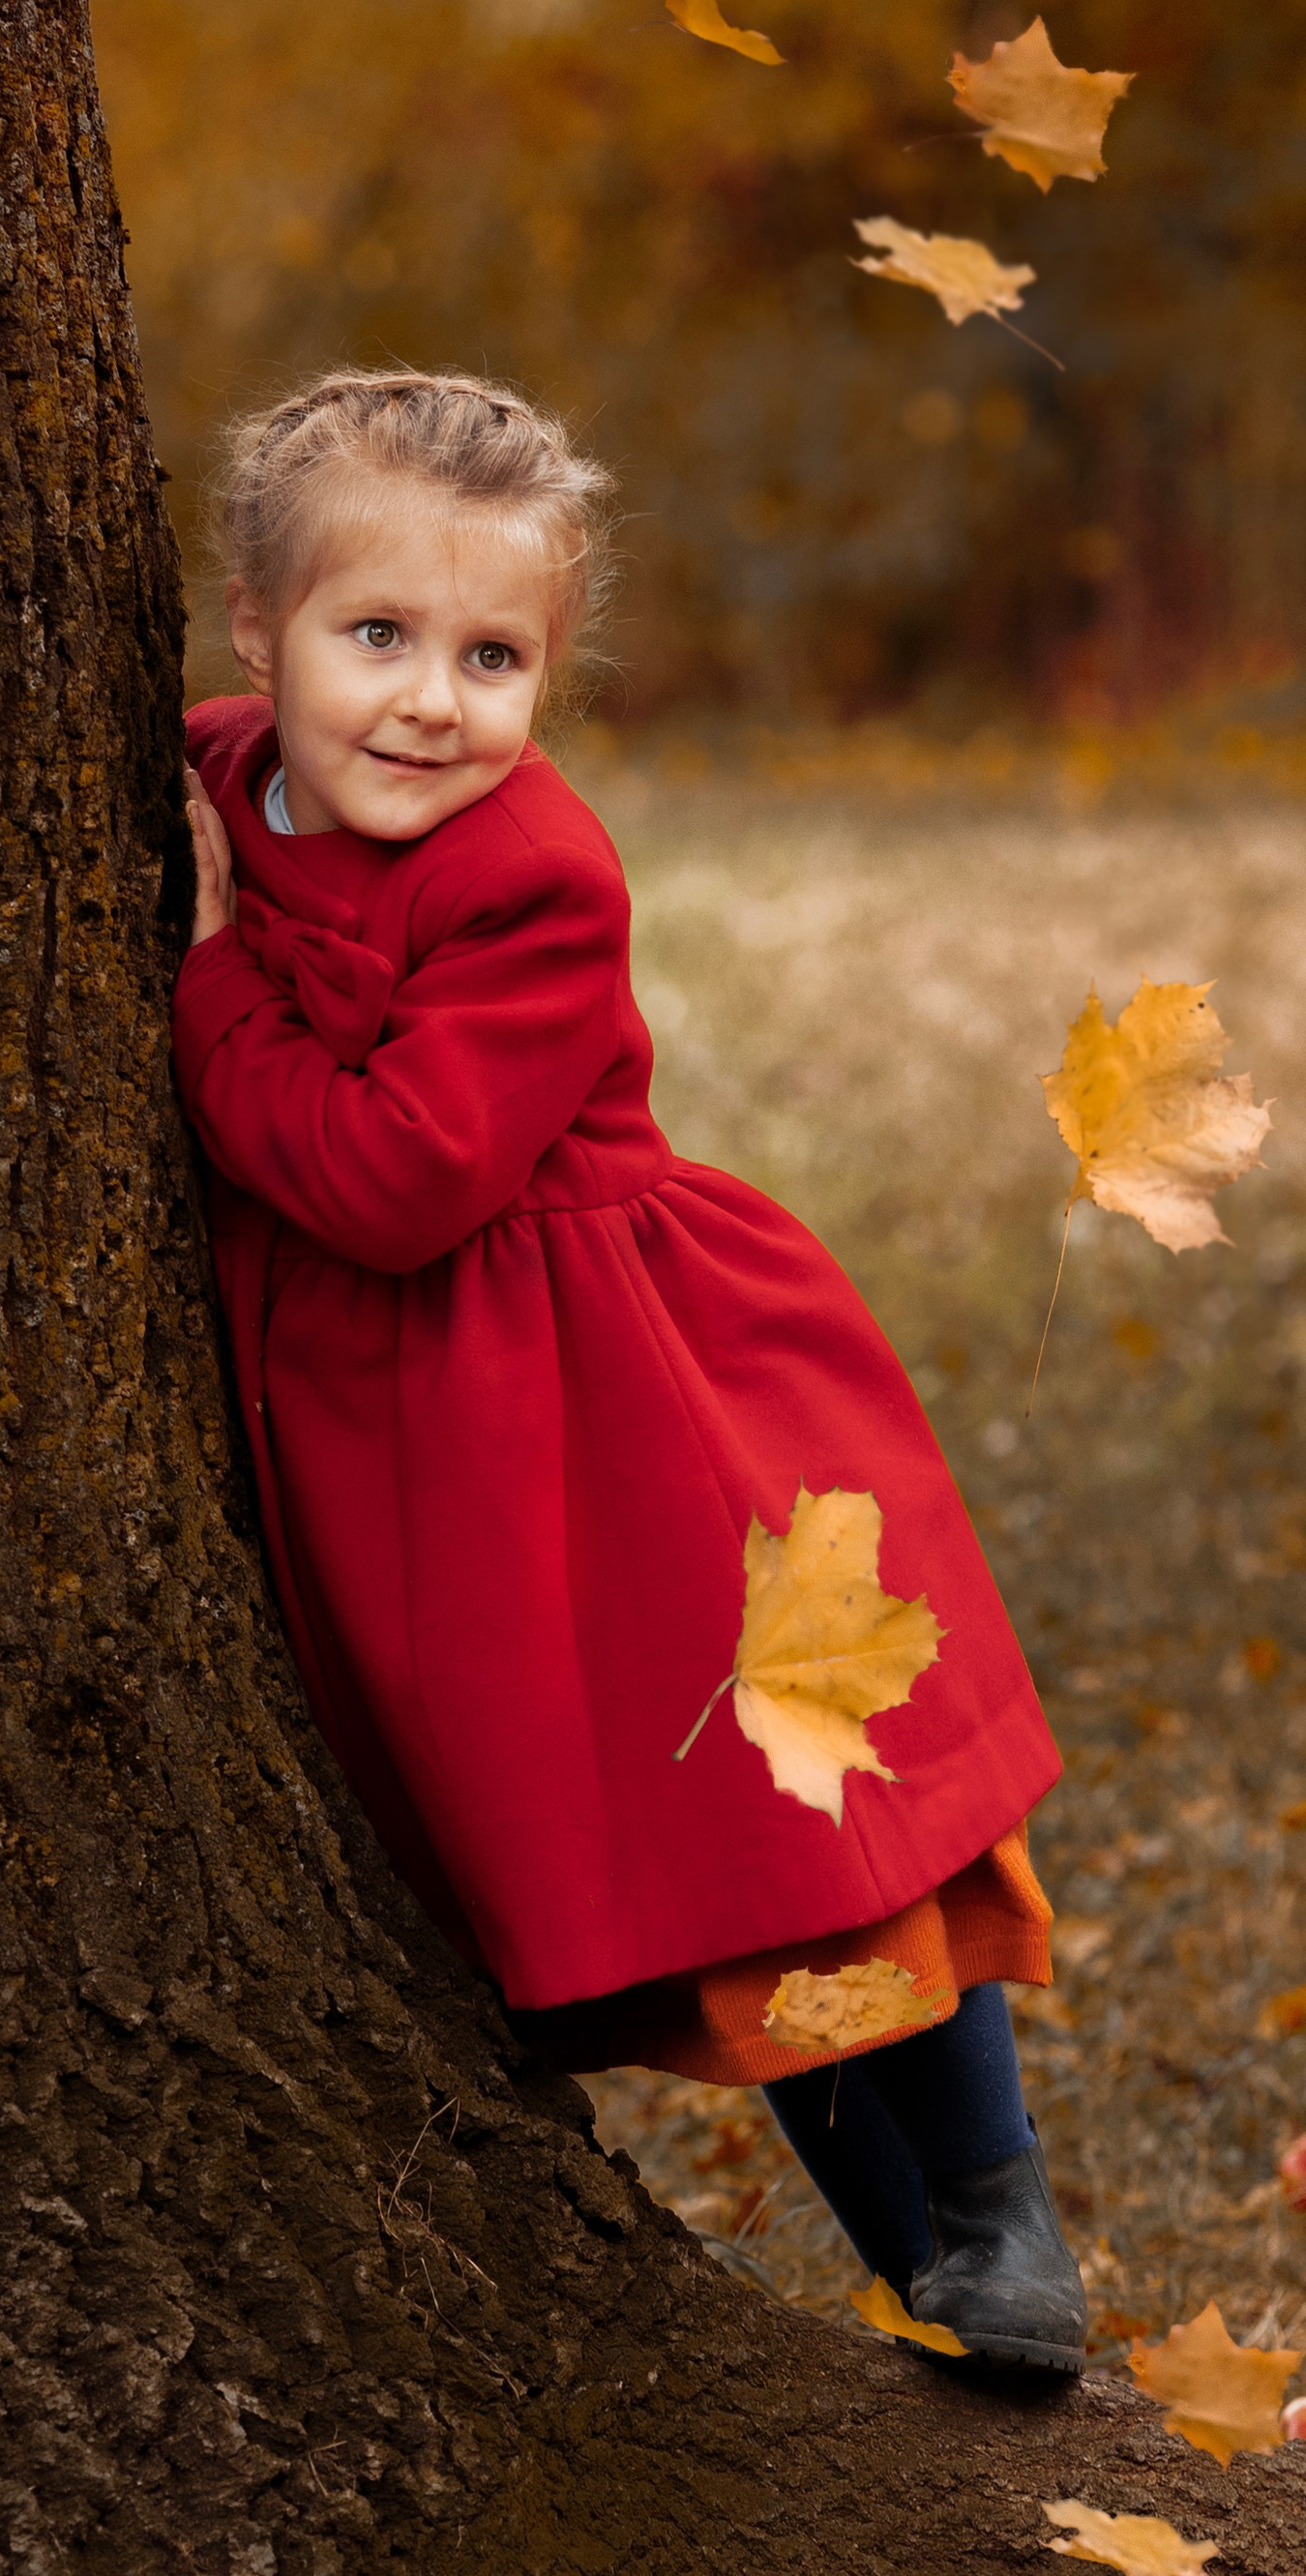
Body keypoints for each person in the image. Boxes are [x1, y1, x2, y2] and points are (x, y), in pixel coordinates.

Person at [171, 368, 1085, 2371]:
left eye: (492, 657)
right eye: (376, 636)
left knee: (793, 1825)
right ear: (258, 629)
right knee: (669, 1867)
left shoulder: (526, 871)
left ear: (551, 675)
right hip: (420, 1451)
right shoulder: (208, 776)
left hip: (612, 1394)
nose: (429, 701)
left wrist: (212, 980)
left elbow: (398, 1178)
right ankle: (923, 2247)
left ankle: (980, 2223)